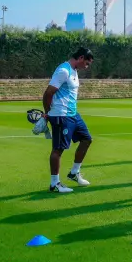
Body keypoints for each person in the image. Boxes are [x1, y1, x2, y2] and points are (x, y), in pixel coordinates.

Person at [42, 47, 95, 193]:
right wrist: (47, 113)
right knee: (58, 149)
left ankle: (74, 172)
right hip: (61, 115)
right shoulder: (63, 70)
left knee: (86, 139)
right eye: (87, 63)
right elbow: (48, 93)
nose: (87, 67)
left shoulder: (74, 71)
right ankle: (55, 184)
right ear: (81, 58)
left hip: (73, 114)